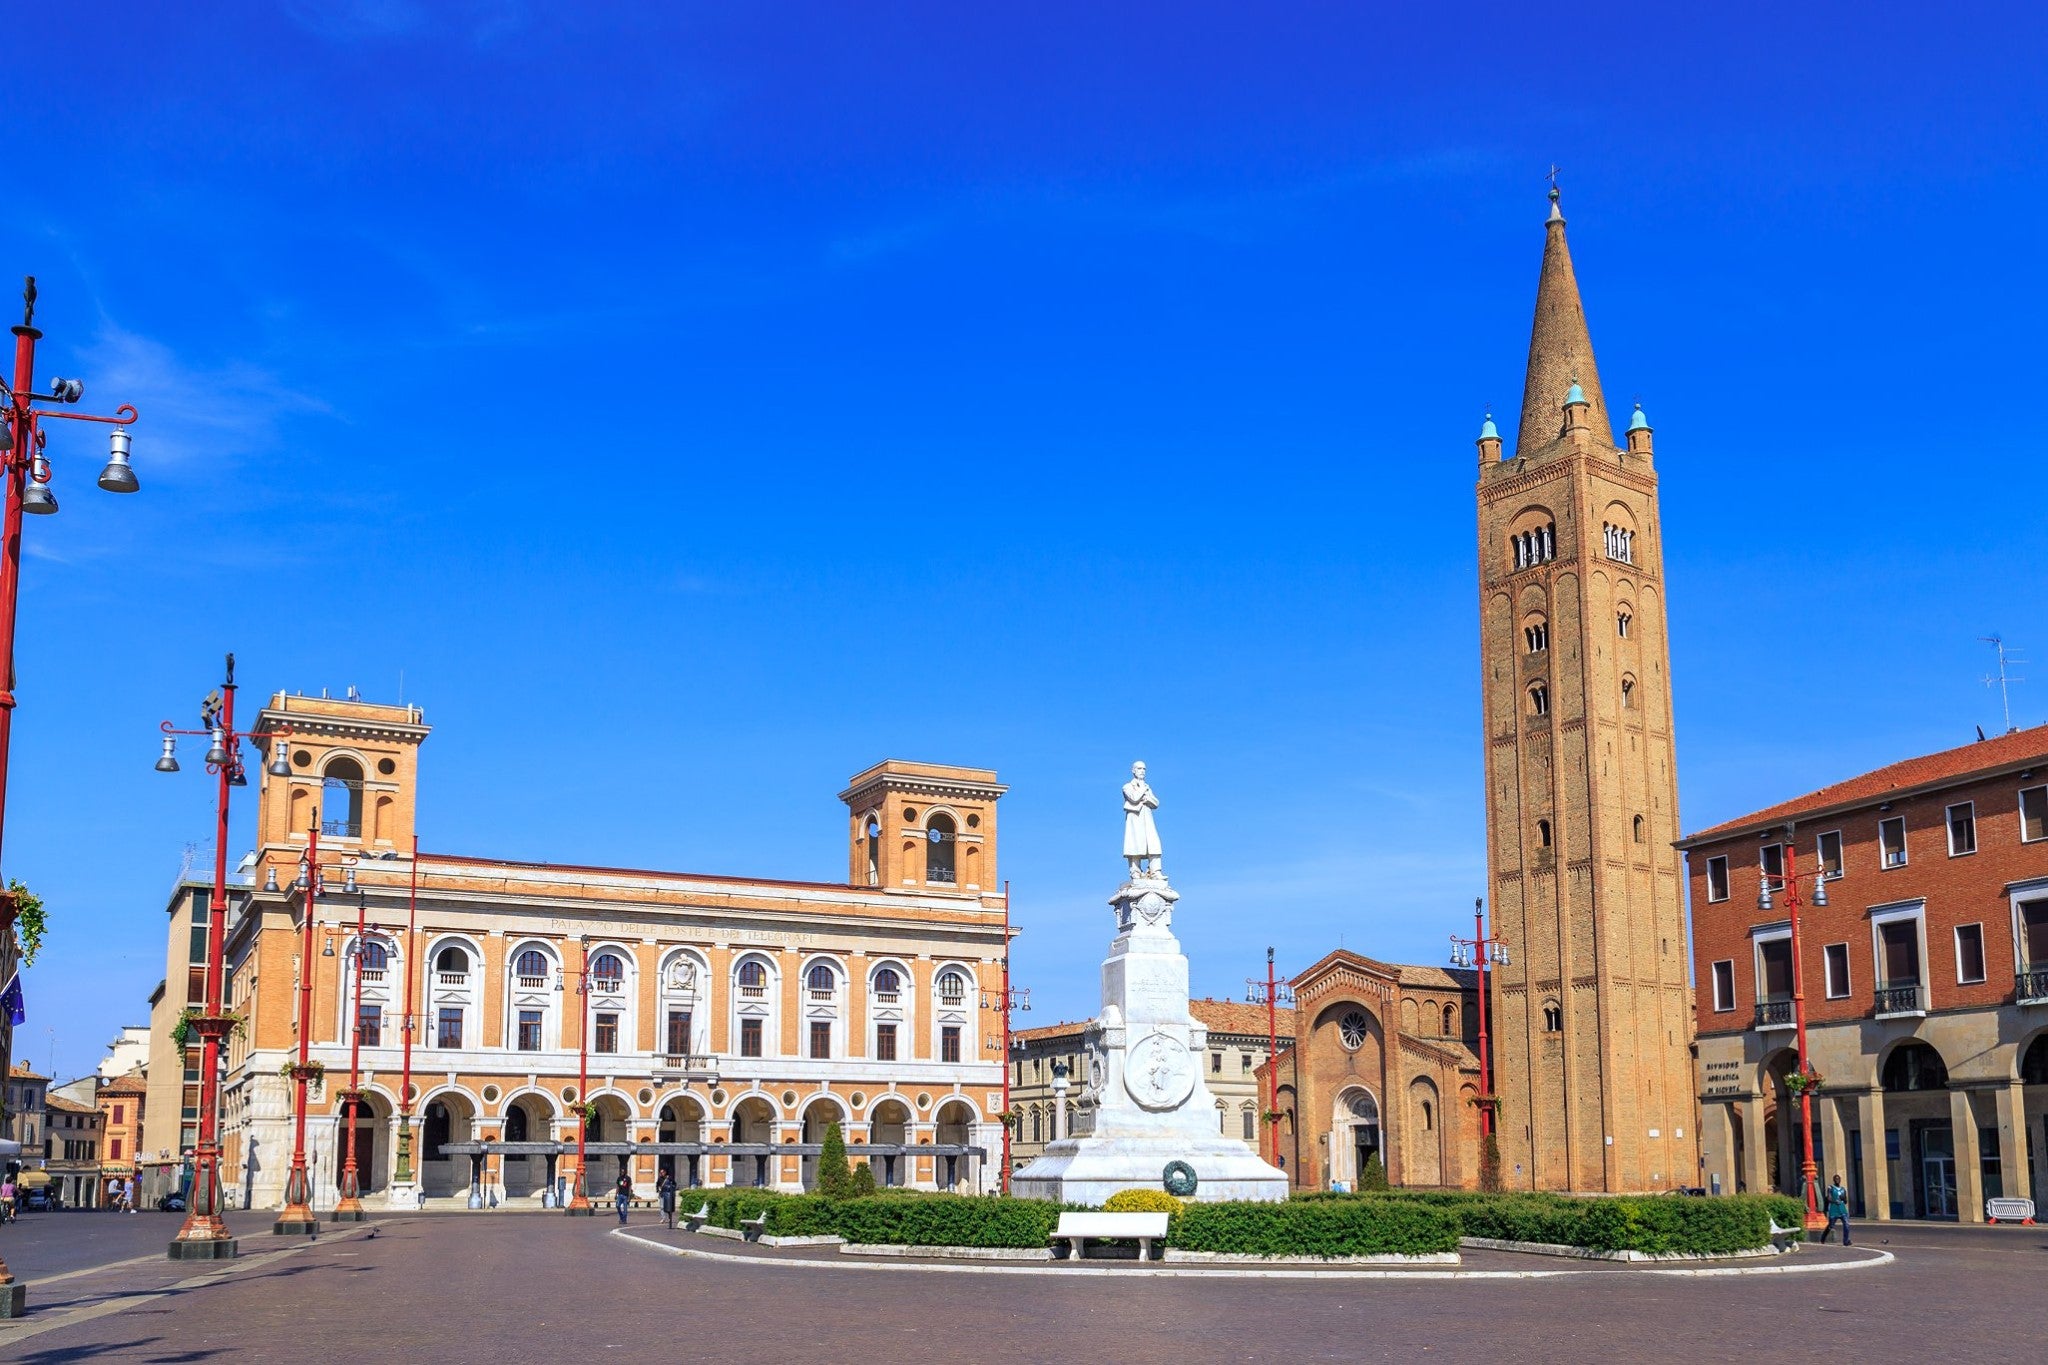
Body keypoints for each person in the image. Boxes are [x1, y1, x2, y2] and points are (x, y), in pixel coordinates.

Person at [1822, 1174, 1852, 1246]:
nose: (1837, 1180)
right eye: (1836, 1179)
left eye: (1838, 1179)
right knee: (1831, 1225)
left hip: (1842, 1209)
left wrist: (1843, 1198)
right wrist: (1835, 1201)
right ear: (1834, 1180)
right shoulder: (1830, 1188)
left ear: (1840, 1180)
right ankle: (1823, 1237)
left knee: (1846, 1225)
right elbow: (1829, 1198)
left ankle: (1846, 1241)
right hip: (1834, 1209)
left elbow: (1845, 1201)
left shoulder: (1843, 1189)